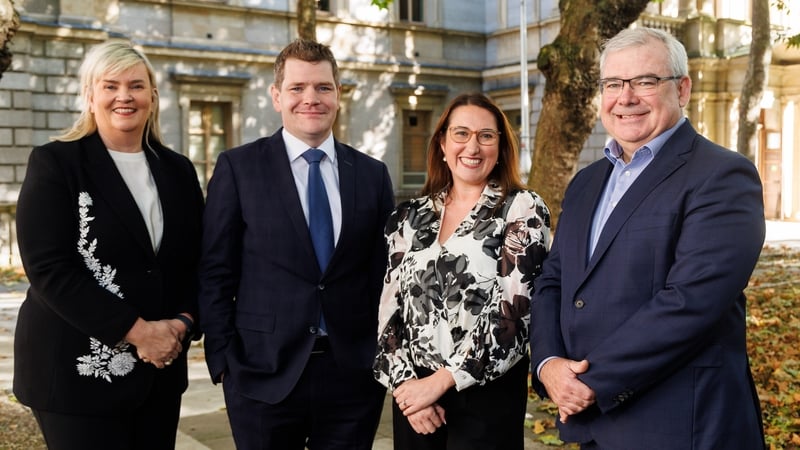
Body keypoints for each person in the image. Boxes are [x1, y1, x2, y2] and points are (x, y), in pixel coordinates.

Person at [530, 27, 767, 449]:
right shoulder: (586, 182)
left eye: (644, 81)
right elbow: (555, 280)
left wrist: (588, 382)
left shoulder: (722, 176)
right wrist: (548, 364)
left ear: (683, 89)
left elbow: (691, 302)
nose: (626, 97)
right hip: (594, 426)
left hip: (680, 426)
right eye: (613, 84)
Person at [198, 38, 394, 449]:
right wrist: (223, 361)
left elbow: (384, 275)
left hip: (351, 378)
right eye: (297, 88)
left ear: (338, 95)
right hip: (261, 374)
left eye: (323, 87)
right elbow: (216, 270)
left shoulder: (372, 175)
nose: (311, 99)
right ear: (276, 96)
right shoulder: (239, 168)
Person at [13, 40, 204, 449]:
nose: (124, 96)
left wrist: (183, 323)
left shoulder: (178, 170)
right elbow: (49, 269)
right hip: (74, 374)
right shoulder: (56, 164)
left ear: (152, 95)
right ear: (90, 95)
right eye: (110, 85)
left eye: (136, 85)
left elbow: (197, 260)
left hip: (160, 372)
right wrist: (137, 332)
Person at [374, 92, 552, 450]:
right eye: (461, 133)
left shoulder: (522, 209)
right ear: (442, 143)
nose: (473, 145)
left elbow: (516, 314)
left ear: (501, 147)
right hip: (416, 402)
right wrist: (407, 388)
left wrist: (440, 382)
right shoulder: (409, 216)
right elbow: (387, 314)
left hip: (485, 394)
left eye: (486, 135)